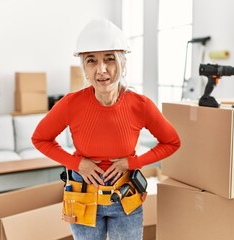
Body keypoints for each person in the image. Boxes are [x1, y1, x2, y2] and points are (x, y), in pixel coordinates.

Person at [31, 19, 181, 240]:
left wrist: (134, 162)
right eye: (91, 61)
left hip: (125, 193)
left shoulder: (140, 105)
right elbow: (40, 138)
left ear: (123, 63)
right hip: (82, 194)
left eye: (109, 59)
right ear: (84, 67)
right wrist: (76, 163)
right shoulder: (71, 103)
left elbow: (172, 142)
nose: (101, 70)